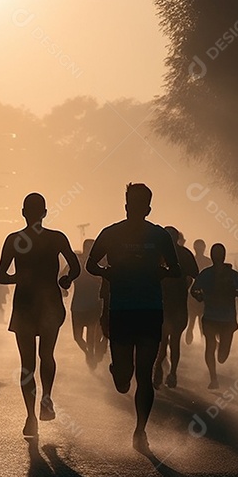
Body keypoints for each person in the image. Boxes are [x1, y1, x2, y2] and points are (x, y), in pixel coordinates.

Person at [86, 183, 179, 453]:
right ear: (125, 206)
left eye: (142, 204)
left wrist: (161, 272)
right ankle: (118, 371)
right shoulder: (111, 233)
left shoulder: (160, 236)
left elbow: (176, 268)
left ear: (148, 208)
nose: (136, 208)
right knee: (123, 382)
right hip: (122, 310)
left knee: (145, 374)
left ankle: (140, 430)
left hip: (150, 309)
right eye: (132, 203)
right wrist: (109, 272)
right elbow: (90, 264)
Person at [0, 193, 81, 438]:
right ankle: (46, 398)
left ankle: (31, 416)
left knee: (27, 364)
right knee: (47, 355)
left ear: (23, 212)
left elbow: (1, 276)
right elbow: (75, 267)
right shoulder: (55, 238)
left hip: (26, 304)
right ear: (45, 213)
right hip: (48, 304)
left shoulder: (14, 239)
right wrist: (66, 278)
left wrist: (18, 278)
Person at [191, 243, 238, 389]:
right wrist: (200, 297)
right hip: (210, 317)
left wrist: (234, 292)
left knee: (222, 357)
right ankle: (213, 378)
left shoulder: (232, 275)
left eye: (219, 254)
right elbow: (194, 290)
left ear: (223, 256)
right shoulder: (206, 273)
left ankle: (215, 371)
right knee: (210, 347)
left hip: (227, 319)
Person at [154, 227, 200, 389]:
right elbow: (196, 275)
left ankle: (163, 369)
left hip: (170, 304)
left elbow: (195, 276)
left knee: (165, 341)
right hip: (172, 304)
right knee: (172, 341)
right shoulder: (183, 254)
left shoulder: (159, 254)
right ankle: (169, 372)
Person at [70, 239, 105, 368]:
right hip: (78, 305)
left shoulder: (98, 263)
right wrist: (65, 284)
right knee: (77, 337)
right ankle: (88, 353)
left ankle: (91, 353)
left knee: (91, 336)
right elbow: (64, 275)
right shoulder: (77, 262)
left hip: (93, 304)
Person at [185, 239, 211, 345]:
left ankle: (197, 344)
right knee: (196, 321)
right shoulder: (207, 261)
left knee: (194, 321)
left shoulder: (192, 260)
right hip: (197, 294)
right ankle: (200, 343)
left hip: (194, 294)